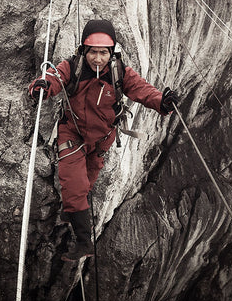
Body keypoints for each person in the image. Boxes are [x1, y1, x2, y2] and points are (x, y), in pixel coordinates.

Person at [27, 19, 180, 261]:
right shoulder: (72, 67)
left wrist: (162, 101)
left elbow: (142, 90)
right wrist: (41, 86)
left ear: (112, 53)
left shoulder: (120, 73)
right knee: (75, 184)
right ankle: (84, 241)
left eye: (103, 53)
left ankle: (73, 210)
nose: (98, 59)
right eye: (93, 52)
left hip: (101, 140)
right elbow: (53, 77)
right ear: (84, 51)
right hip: (73, 134)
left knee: (85, 184)